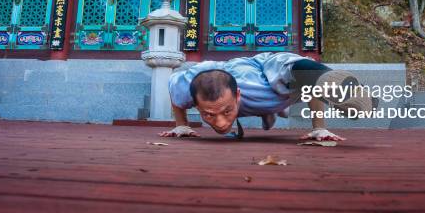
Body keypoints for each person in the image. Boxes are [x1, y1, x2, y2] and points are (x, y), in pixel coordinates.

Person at [160, 52, 373, 141]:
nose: (221, 123)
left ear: (238, 95)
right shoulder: (190, 86)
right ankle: (267, 114)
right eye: (208, 115)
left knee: (286, 66)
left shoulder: (259, 83)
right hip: (223, 75)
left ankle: (340, 85)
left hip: (262, 76)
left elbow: (308, 83)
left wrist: (319, 127)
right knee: (205, 75)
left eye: (227, 111)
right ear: (196, 105)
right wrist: (182, 124)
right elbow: (173, 87)